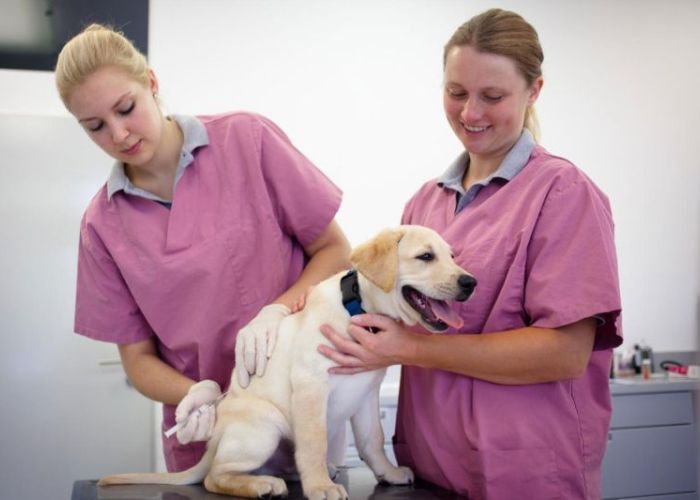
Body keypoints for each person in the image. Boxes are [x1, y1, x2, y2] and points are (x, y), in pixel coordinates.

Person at [318, 8, 622, 500]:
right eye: (456, 93)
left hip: (523, 470)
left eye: (493, 97)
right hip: (428, 462)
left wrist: (412, 348)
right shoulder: (424, 203)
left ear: (534, 91)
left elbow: (565, 353)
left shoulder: (564, 193)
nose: (470, 113)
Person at [55, 24, 351, 472]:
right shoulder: (101, 227)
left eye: (126, 109)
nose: (118, 134)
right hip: (211, 435)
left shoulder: (247, 141)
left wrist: (278, 311)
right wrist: (195, 394)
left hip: (302, 407)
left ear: (151, 83)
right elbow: (138, 360)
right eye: (95, 126)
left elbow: (334, 250)